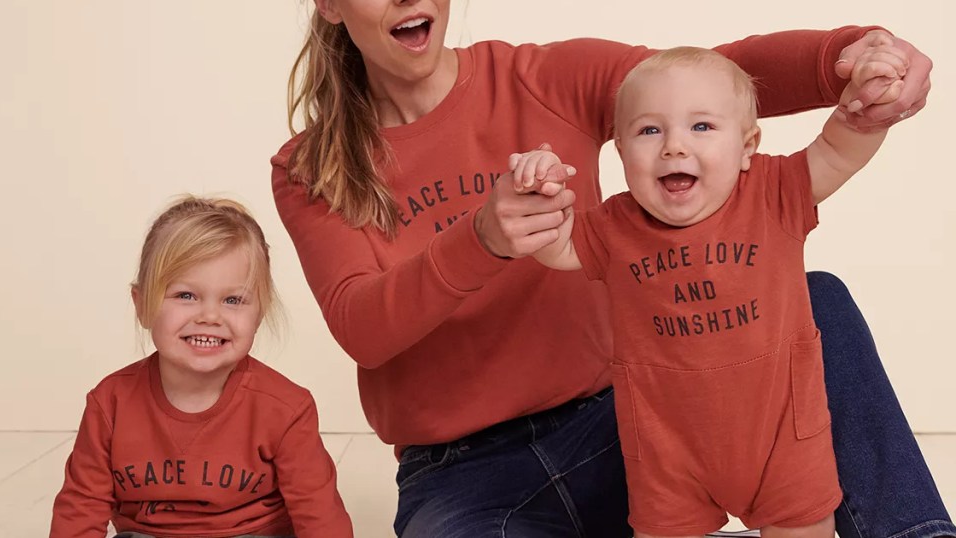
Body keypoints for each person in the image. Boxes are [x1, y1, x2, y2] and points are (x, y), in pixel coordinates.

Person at [271, 1, 951, 536]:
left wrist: (849, 56)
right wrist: (480, 237)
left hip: (628, 422)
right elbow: (362, 327)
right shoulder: (308, 167)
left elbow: (708, 80)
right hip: (463, 476)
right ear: (329, 3)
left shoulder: (540, 78)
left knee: (814, 300)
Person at [510, 45, 901, 537]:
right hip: (666, 449)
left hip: (782, 434)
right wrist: (537, 196)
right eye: (649, 130)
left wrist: (865, 111)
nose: (674, 146)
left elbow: (838, 151)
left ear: (747, 145)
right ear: (621, 151)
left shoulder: (776, 192)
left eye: (702, 127)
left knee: (802, 525)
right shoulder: (615, 225)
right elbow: (557, 245)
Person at [49, 196, 353, 538]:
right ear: (142, 304)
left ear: (260, 313)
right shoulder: (110, 403)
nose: (210, 316)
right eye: (185, 296)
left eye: (233, 300)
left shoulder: (286, 409)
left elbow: (320, 516)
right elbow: (80, 509)